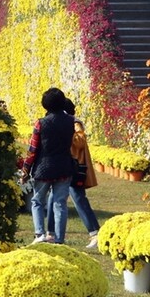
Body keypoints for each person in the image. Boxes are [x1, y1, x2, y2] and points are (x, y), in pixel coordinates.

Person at [21, 88, 75, 244]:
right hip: (64, 167)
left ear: (45, 105)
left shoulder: (41, 123)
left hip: (44, 168)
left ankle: (39, 234)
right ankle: (59, 238)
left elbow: (33, 149)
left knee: (37, 201)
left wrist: (25, 170)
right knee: (60, 203)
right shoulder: (71, 121)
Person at [46, 98, 101, 248]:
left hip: (73, 167)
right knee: (53, 198)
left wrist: (65, 137)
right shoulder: (63, 122)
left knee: (77, 198)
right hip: (64, 165)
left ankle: (95, 233)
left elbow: (80, 141)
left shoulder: (74, 123)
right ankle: (50, 233)